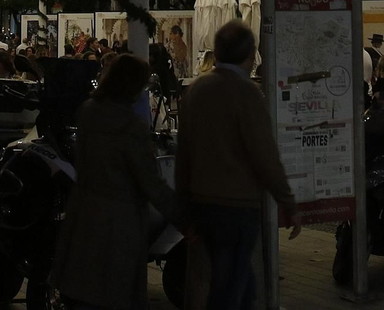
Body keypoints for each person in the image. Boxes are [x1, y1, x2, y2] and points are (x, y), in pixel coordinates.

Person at [48, 53, 185, 309]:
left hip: (84, 214)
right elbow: (150, 181)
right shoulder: (131, 126)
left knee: (83, 292)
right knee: (114, 294)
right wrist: (184, 218)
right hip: (119, 223)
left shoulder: (89, 112)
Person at [177, 22, 298, 310]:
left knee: (237, 280)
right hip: (238, 205)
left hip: (202, 202)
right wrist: (287, 202)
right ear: (251, 54)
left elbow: (184, 154)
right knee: (230, 284)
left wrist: (183, 210)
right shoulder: (247, 93)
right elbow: (264, 153)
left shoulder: (196, 90)